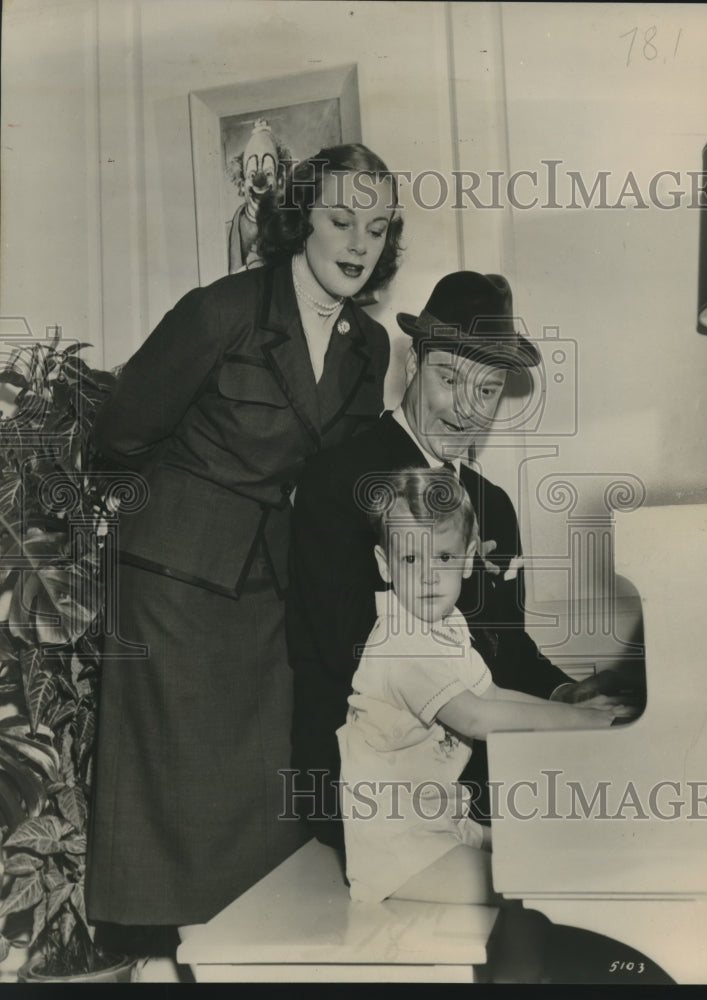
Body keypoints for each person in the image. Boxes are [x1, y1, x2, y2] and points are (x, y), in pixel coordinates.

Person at [85, 143, 404, 943]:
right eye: (340, 220)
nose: (359, 243)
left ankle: (246, 951)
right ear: (300, 221)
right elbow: (121, 434)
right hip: (173, 580)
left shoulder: (370, 346)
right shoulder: (220, 312)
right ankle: (161, 946)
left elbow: (338, 473)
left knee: (262, 783)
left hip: (271, 578)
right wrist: (184, 510)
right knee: (179, 788)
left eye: (376, 225)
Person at [287, 271, 638, 849]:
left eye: (488, 389)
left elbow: (508, 645)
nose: (467, 411)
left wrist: (562, 694)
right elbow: (351, 645)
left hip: (473, 763)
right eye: (450, 379)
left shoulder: (493, 506)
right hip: (375, 782)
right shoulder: (339, 478)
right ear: (413, 366)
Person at [338, 467, 621, 905]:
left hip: (441, 823)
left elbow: (490, 693)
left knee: (550, 853)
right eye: (412, 559)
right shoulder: (399, 642)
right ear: (385, 565)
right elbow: (474, 715)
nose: (430, 575)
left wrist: (578, 715)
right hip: (397, 851)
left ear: (468, 558)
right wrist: (578, 720)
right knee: (526, 889)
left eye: (445, 557)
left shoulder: (447, 624)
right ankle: (520, 971)